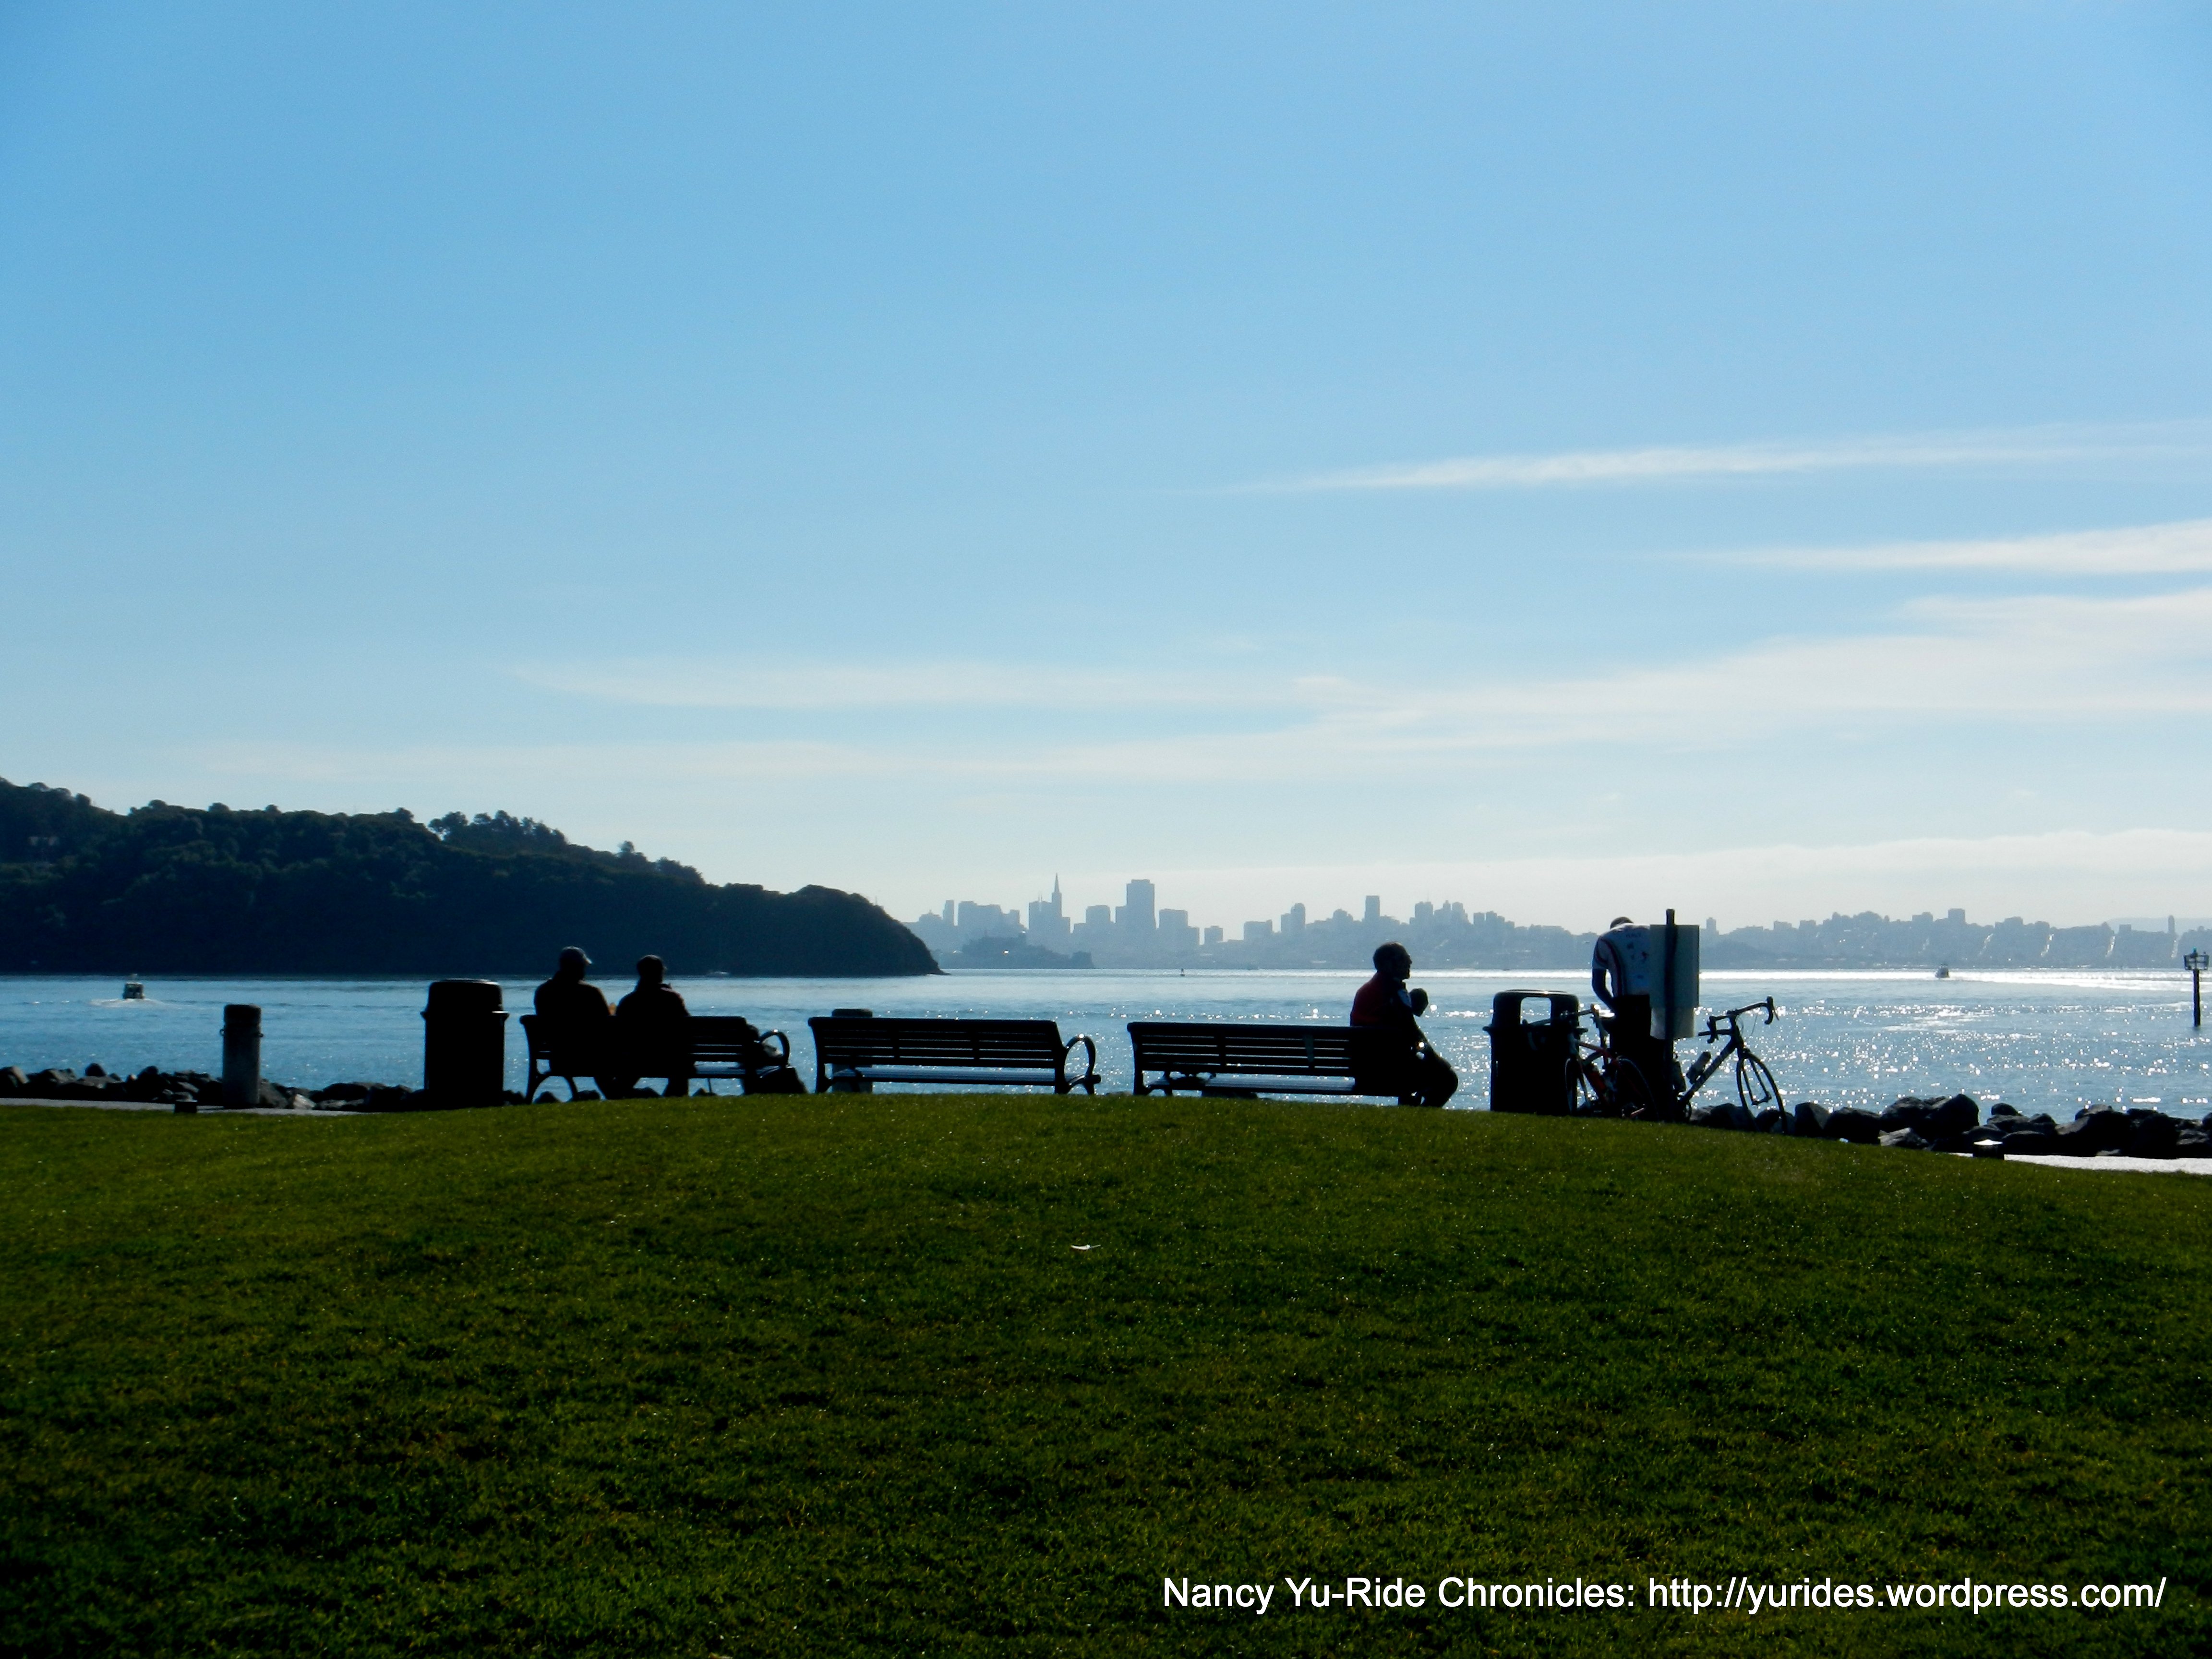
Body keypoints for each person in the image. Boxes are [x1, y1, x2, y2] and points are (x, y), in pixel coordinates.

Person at [1350, 941, 1457, 1108]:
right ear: (1388, 964)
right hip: (1390, 1070)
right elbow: (1411, 1029)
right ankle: (1422, 1119)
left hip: (1365, 1070)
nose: (1410, 963)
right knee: (1448, 1079)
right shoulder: (1393, 992)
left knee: (1416, 1069)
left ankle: (1412, 1113)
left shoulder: (1368, 990)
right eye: (1404, 959)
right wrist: (1434, 1058)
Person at [532, 946, 614, 1096]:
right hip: (591, 1058)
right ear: (579, 967)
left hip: (559, 1059)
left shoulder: (543, 991)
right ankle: (617, 1096)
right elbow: (608, 1026)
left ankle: (616, 1096)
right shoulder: (591, 993)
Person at [613, 955, 692, 1097]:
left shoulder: (628, 1002)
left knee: (626, 1077)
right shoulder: (672, 998)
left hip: (636, 1059)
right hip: (670, 1059)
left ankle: (638, 1095)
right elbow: (689, 1026)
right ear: (660, 973)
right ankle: (671, 1100)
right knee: (681, 1065)